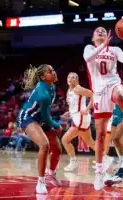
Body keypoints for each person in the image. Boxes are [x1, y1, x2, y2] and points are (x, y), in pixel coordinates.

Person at [83, 26, 123, 190]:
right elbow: (88, 58)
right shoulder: (89, 48)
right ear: (92, 37)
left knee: (120, 95)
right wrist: (103, 46)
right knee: (101, 135)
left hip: (113, 83)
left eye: (103, 30)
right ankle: (99, 172)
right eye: (97, 31)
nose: (101, 32)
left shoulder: (115, 49)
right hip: (99, 91)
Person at [19, 64, 62, 194]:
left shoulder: (52, 86)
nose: (54, 73)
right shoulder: (43, 94)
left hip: (41, 117)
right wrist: (56, 124)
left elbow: (45, 113)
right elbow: (45, 116)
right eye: (50, 71)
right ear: (43, 77)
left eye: (54, 70)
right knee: (44, 145)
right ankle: (41, 182)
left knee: (57, 149)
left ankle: (51, 173)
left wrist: (52, 123)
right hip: (29, 117)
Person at [61, 72, 95, 172]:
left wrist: (88, 108)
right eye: (68, 77)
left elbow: (94, 95)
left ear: (77, 80)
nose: (70, 79)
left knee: (65, 140)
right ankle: (105, 158)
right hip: (78, 117)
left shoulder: (78, 89)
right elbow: (74, 105)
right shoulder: (69, 90)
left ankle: (74, 161)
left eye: (73, 78)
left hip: (81, 118)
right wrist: (69, 112)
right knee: (91, 143)